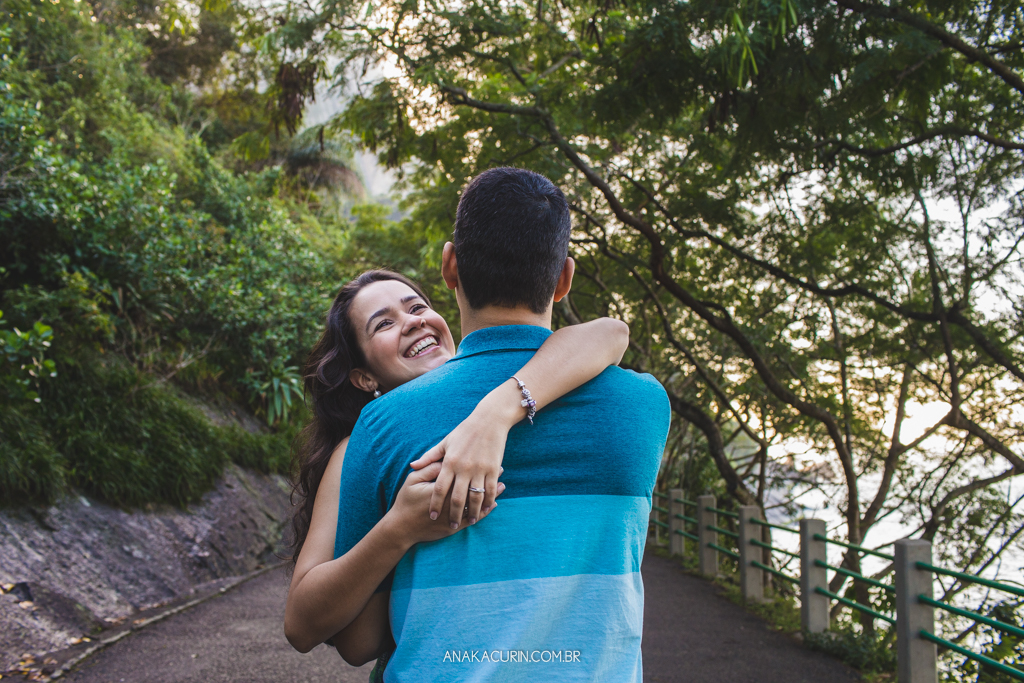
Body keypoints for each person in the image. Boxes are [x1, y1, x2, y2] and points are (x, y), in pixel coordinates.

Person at [322, 167, 671, 682]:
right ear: (564, 279)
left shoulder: (380, 425)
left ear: (450, 266)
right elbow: (609, 334)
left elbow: (358, 640)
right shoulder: (643, 406)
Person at [283, 268, 631, 671]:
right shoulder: (357, 448)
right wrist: (399, 528)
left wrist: (494, 414)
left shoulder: (523, 386)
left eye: (417, 307)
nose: (412, 320)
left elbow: (611, 332)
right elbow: (329, 634)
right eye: (384, 323)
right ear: (363, 377)